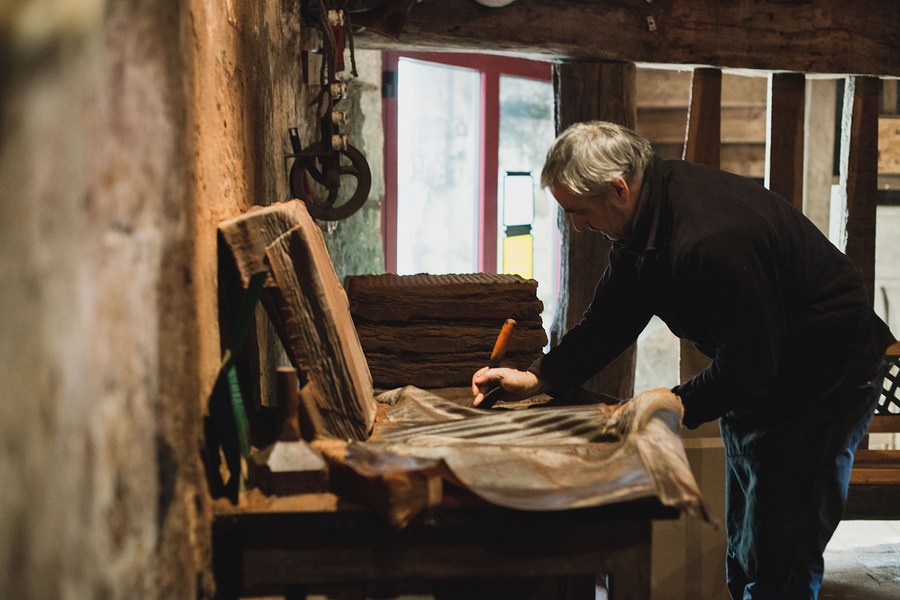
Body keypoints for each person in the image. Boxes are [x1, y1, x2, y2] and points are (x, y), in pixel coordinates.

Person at [471, 121, 896, 599]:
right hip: (763, 374)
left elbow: (753, 362)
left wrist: (676, 400)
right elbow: (611, 320)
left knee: (784, 546)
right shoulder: (643, 221)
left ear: (618, 188)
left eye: (579, 211)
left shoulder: (709, 238)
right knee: (746, 540)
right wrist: (538, 377)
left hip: (823, 380)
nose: (578, 225)